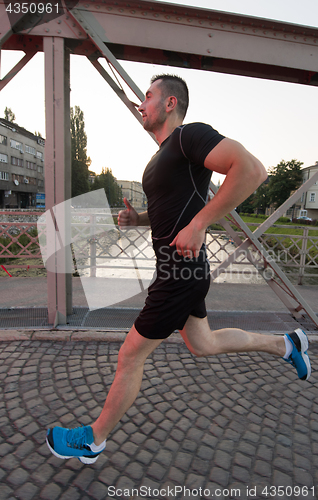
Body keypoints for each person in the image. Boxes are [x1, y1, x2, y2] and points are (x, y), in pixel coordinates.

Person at [46, 74, 311, 464]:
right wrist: (138, 221)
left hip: (179, 273)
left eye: (148, 96)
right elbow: (173, 215)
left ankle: (93, 440)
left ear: (170, 104)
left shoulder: (189, 136)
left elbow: (252, 170)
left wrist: (201, 223)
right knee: (202, 344)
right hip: (182, 269)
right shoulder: (161, 158)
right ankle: (285, 344)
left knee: (131, 355)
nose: (142, 103)